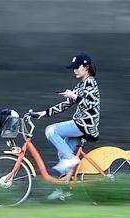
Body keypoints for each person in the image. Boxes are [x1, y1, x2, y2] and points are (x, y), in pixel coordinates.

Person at [33, 52, 100, 198]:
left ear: (86, 67)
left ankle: (72, 159)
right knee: (62, 153)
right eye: (73, 68)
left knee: (51, 130)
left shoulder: (90, 82)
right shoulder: (80, 85)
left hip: (85, 124)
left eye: (77, 67)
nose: (74, 70)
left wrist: (74, 96)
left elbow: (90, 104)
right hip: (81, 124)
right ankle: (64, 190)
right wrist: (45, 112)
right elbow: (65, 104)